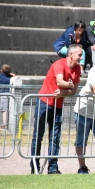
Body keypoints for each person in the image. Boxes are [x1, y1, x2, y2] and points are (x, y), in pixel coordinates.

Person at [30, 44, 82, 174]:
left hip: (58, 106)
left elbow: (74, 90)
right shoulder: (59, 64)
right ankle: (34, 166)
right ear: (71, 54)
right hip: (43, 103)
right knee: (38, 136)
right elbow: (60, 82)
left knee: (55, 137)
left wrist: (63, 92)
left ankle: (52, 168)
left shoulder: (77, 69)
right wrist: (67, 86)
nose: (81, 57)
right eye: (79, 55)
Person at [0, 64, 16, 130]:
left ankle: (5, 125)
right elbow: (13, 74)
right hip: (11, 94)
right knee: (10, 109)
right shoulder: (11, 76)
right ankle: (10, 124)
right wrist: (8, 73)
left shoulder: (1, 76)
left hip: (4, 94)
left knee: (4, 110)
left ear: (2, 70)